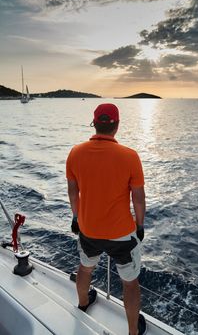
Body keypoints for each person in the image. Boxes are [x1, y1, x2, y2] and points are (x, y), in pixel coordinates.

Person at [66, 103, 146, 335]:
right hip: (121, 234)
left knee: (85, 268)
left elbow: (73, 192)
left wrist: (75, 218)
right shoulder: (130, 156)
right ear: (117, 125)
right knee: (130, 283)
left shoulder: (75, 153)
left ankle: (83, 304)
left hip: (88, 230)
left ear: (94, 123)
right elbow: (138, 199)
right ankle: (133, 331)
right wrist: (139, 226)